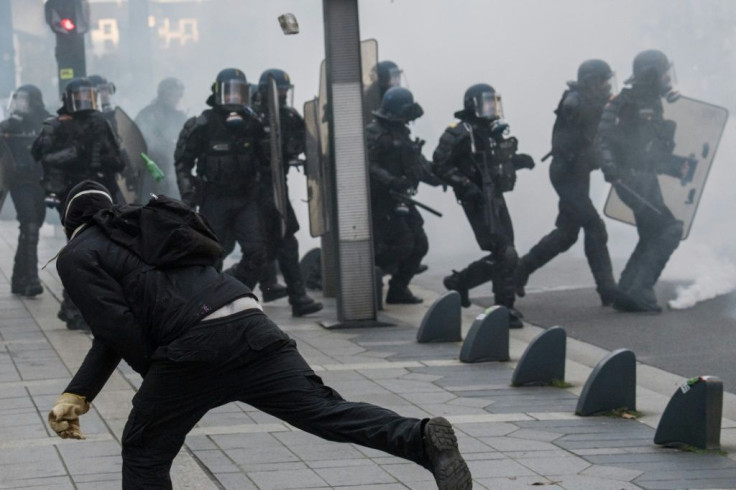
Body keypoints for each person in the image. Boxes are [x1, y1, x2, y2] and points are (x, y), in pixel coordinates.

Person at [46, 179, 472, 490]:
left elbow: (114, 325)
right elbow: (118, 327)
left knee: (144, 450)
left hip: (191, 348)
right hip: (249, 322)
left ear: (70, 225)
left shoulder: (78, 253)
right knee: (324, 412)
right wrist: (79, 393)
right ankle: (420, 438)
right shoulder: (145, 229)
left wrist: (158, 375)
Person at [174, 68, 311, 315]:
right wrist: (188, 195)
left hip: (246, 200)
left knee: (258, 254)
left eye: (239, 93)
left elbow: (269, 160)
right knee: (213, 253)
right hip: (214, 199)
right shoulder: (203, 123)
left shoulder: (253, 124)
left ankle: (231, 294)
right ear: (217, 93)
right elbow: (183, 161)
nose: (234, 99)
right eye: (229, 92)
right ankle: (204, 304)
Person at [515, 60, 618, 305]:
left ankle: (520, 269)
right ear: (592, 82)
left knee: (567, 234)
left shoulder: (592, 102)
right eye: (603, 81)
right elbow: (570, 142)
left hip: (577, 174)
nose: (607, 86)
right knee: (595, 227)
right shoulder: (575, 103)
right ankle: (608, 291)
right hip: (567, 174)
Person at [433, 83, 535, 328]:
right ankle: (502, 309)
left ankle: (460, 283)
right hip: (476, 199)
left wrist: (517, 161)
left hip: (495, 196)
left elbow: (495, 162)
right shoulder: (460, 131)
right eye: (486, 103)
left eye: (494, 102)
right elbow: (440, 165)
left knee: (505, 250)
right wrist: (466, 184)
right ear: (473, 104)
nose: (491, 108)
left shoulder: (491, 131)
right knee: (505, 252)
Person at [31, 77, 125, 329]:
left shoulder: (100, 122)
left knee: (103, 252)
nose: (84, 102)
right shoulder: (58, 125)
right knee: (80, 252)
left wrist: (107, 156)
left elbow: (118, 159)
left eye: (89, 96)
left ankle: (87, 308)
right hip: (73, 196)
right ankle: (74, 310)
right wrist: (76, 152)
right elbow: (41, 155)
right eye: (79, 96)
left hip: (101, 191)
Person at [596, 49, 684, 313]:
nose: (668, 77)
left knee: (651, 233)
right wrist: (612, 169)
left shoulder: (651, 100)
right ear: (652, 73)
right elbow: (602, 137)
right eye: (664, 71)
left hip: (643, 176)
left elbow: (650, 148)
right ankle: (641, 289)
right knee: (669, 229)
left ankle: (627, 291)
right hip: (632, 178)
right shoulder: (626, 100)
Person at [250, 68, 322, 315]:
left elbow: (306, 143)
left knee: (284, 241)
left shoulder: (288, 116)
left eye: (284, 90)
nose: (281, 95)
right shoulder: (251, 117)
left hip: (277, 188)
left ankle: (296, 297)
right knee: (260, 248)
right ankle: (233, 293)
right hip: (252, 191)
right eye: (278, 90)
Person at [367, 86, 439, 304]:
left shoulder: (402, 133)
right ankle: (369, 270)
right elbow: (368, 164)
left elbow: (417, 164)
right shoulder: (375, 133)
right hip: (383, 200)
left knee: (420, 244)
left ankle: (398, 289)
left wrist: (439, 177)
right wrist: (390, 180)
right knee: (403, 244)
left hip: (402, 198)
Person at [0, 84, 51, 297]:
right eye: (18, 98)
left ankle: (18, 278)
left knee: (33, 225)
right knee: (29, 223)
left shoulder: (45, 122)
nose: (20, 102)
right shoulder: (9, 125)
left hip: (39, 181)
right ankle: (31, 278)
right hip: (19, 182)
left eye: (25, 98)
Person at [135, 77, 188, 200]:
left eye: (179, 94)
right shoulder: (147, 115)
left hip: (173, 172)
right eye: (174, 94)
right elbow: (136, 141)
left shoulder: (180, 117)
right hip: (151, 170)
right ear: (163, 94)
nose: (177, 98)